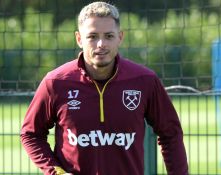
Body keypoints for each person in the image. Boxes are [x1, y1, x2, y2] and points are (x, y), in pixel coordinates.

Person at [20, 1, 188, 175]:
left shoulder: (144, 80)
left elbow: (171, 133)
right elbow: (30, 134)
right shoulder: (56, 82)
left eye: (109, 36)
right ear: (79, 39)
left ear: (120, 37)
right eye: (92, 36)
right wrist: (56, 172)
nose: (101, 44)